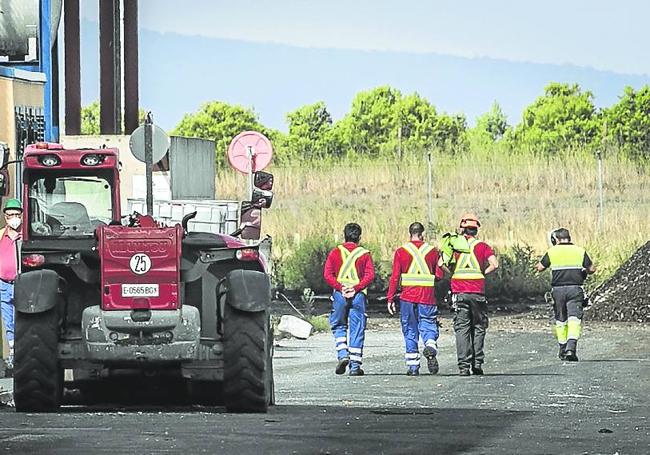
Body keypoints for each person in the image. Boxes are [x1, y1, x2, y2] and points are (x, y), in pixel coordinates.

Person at [444, 213, 498, 376]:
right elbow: (494, 264)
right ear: (476, 230)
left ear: (462, 228)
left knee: (462, 328)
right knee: (479, 326)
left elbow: (441, 264)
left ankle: (463, 366)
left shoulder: (453, 245)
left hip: (459, 291)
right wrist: (482, 272)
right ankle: (477, 363)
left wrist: (452, 273)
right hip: (477, 291)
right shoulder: (483, 246)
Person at [387, 222, 443, 376]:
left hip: (407, 298)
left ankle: (413, 366)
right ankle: (430, 345)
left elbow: (395, 277)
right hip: (427, 296)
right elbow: (439, 275)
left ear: (409, 233)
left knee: (410, 329)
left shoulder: (401, 252)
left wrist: (390, 298)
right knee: (428, 323)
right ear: (422, 234)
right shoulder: (433, 251)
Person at [535, 228, 595, 362]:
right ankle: (571, 349)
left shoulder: (552, 251)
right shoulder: (580, 251)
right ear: (569, 238)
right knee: (575, 319)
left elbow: (539, 267)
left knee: (561, 320)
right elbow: (592, 269)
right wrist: (583, 271)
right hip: (575, 290)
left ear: (555, 239)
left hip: (558, 291)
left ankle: (562, 349)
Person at [323, 223, 375, 376]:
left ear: (344, 235)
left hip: (340, 295)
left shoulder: (335, 252)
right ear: (359, 237)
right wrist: (356, 288)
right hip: (358, 295)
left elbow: (328, 275)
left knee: (338, 325)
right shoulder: (364, 254)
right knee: (357, 329)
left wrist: (340, 287)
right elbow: (370, 275)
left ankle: (342, 354)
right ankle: (355, 367)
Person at [1, 198, 23, 372]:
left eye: (17, 215)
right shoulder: (1, 236)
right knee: (9, 321)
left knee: (21, 319)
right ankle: (13, 353)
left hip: (21, 284)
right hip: (3, 284)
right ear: (5, 217)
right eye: (11, 215)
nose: (14, 218)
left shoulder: (24, 237)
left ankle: (22, 354)